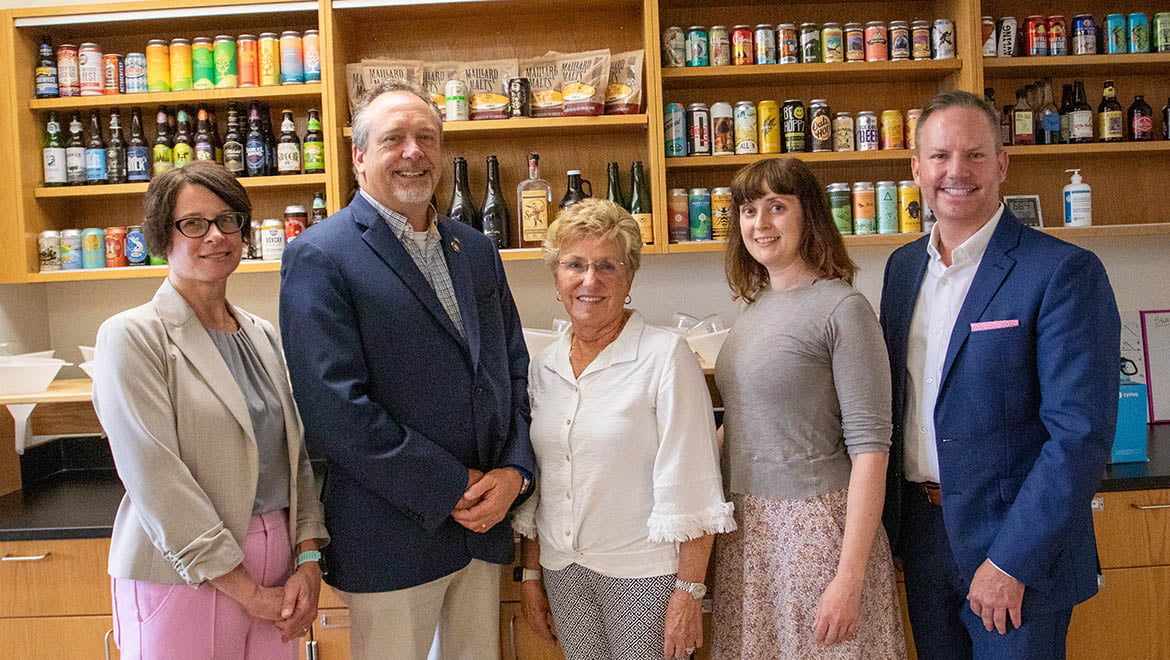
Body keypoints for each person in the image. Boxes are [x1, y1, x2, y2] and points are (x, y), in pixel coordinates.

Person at [278, 81, 536, 660]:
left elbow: (514, 370)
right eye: (393, 138)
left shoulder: (476, 249)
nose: (413, 151)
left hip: (482, 529)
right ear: (359, 156)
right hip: (392, 534)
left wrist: (516, 472)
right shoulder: (321, 254)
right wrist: (454, 486)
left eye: (426, 137)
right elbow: (334, 410)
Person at [879, 90, 1121, 659]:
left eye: (975, 155)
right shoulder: (902, 268)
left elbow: (1079, 434)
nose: (955, 171)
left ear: (1002, 164)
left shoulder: (1062, 271)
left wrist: (1011, 559)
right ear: (916, 168)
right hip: (924, 537)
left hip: (1015, 548)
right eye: (939, 156)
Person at [92, 161, 329, 660]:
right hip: (186, 572)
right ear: (163, 236)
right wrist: (245, 590)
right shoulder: (132, 336)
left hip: (279, 565)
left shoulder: (261, 334)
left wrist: (308, 557)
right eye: (193, 224)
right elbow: (156, 478)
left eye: (228, 220)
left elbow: (296, 457)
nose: (215, 236)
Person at [512, 198, 735, 660]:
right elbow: (543, 482)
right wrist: (531, 576)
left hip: (644, 576)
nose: (589, 280)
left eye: (607, 266)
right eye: (575, 264)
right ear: (556, 277)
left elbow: (693, 481)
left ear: (629, 278)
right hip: (564, 570)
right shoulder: (543, 367)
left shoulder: (665, 357)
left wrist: (689, 592)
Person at [712, 158, 906, 659]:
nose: (760, 223)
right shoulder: (753, 310)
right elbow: (742, 423)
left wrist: (850, 577)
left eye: (777, 207)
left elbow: (871, 450)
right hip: (750, 533)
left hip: (817, 533)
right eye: (749, 210)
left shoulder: (843, 309)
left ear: (810, 216)